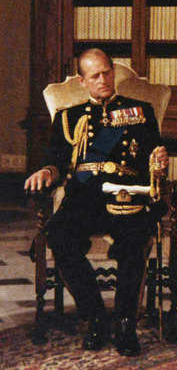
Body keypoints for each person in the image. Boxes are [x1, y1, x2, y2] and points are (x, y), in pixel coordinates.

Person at [24, 48, 169, 356]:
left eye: (107, 72)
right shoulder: (68, 116)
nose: (103, 80)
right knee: (58, 234)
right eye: (95, 75)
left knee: (135, 239)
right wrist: (47, 171)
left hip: (126, 195)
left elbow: (153, 155)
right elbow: (56, 161)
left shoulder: (140, 111)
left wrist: (159, 160)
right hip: (84, 198)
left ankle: (126, 323)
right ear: (82, 80)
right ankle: (95, 318)